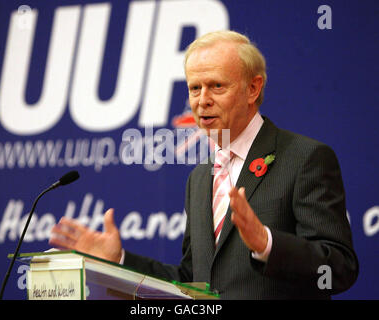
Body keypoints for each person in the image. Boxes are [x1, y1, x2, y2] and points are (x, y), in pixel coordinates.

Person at [49, 30, 359, 299]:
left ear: (253, 88)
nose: (202, 100)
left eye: (216, 86)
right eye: (194, 88)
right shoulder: (200, 177)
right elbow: (192, 282)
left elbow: (340, 268)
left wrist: (268, 244)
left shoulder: (304, 158)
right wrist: (118, 259)